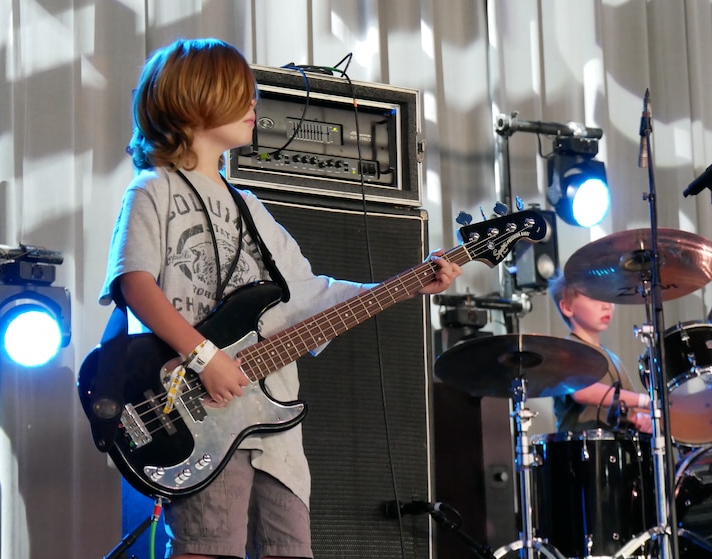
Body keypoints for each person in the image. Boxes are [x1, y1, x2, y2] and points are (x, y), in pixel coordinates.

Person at [99, 38, 462, 559]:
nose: (254, 108)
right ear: (198, 100)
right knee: (209, 545)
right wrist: (206, 358)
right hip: (198, 412)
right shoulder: (153, 189)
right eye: (241, 96)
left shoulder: (250, 208)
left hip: (271, 425)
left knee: (290, 548)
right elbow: (134, 284)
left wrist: (409, 284)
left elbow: (311, 297)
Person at [548, 272, 652, 434]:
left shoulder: (613, 359)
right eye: (594, 298)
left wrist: (648, 417)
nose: (606, 305)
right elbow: (583, 392)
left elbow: (630, 408)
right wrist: (645, 401)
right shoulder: (566, 350)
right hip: (581, 452)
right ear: (567, 308)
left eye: (606, 297)